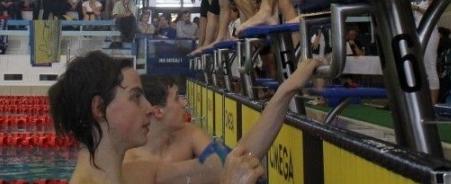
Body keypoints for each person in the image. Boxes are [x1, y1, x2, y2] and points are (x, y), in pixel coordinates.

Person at [49, 50, 323, 184]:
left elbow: (234, 161)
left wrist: (285, 92)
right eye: (135, 97)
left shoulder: (137, 175)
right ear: (99, 109)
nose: (149, 108)